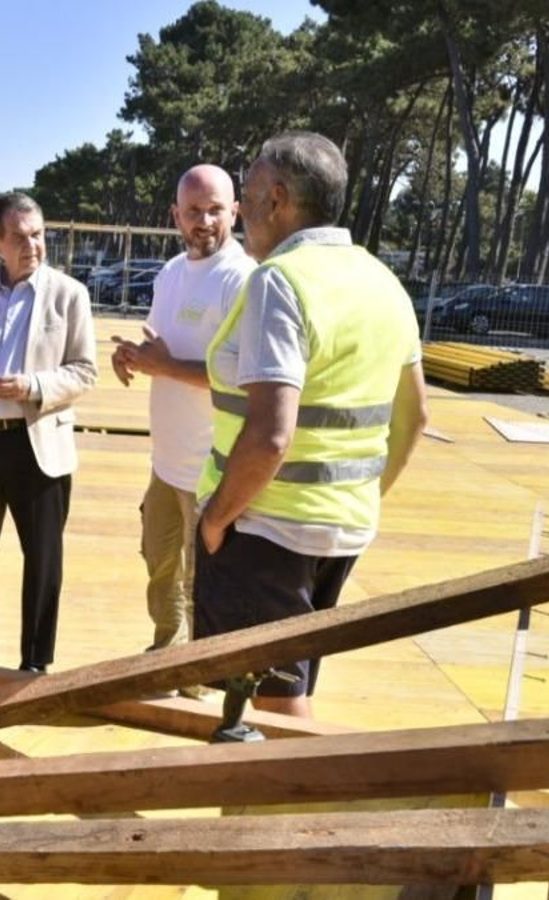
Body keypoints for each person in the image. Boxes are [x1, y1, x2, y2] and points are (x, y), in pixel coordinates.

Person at [194, 132, 428, 724]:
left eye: (245, 197)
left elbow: (271, 434)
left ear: (278, 200)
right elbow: (416, 415)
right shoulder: (383, 282)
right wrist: (362, 498)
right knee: (287, 686)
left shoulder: (281, 281)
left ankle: (285, 814)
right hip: (341, 527)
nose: (241, 211)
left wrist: (218, 517)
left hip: (266, 528)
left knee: (273, 709)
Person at [0, 192, 97, 673]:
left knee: (43, 557)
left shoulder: (70, 295)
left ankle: (35, 661)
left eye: (38, 235)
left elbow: (85, 371)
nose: (32, 246)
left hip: (39, 443)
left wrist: (33, 386)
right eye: (20, 237)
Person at [111, 165, 254, 684]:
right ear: (175, 215)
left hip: (210, 467)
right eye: (193, 211)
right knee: (159, 564)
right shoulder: (170, 273)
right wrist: (134, 356)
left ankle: (199, 674)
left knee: (203, 579)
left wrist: (161, 366)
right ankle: (166, 649)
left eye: (216, 209)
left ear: (235, 212)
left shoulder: (242, 279)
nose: (205, 221)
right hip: (166, 462)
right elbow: (163, 347)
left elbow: (241, 380)